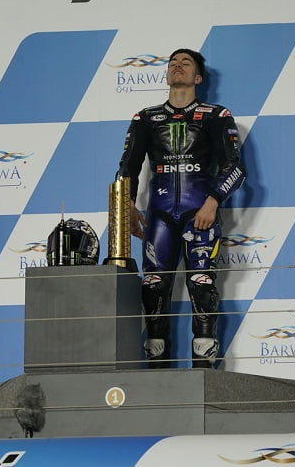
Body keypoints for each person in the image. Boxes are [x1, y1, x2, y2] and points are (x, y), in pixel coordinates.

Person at [116, 49, 246, 369]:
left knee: (201, 285)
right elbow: (127, 167)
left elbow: (235, 168)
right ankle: (157, 375)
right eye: (173, 63)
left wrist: (212, 202)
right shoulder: (145, 118)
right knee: (153, 287)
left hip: (199, 214)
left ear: (198, 77)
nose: (178, 66)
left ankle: (203, 372)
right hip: (159, 216)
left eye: (186, 63)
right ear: (166, 75)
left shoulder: (216, 115)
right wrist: (127, 206)